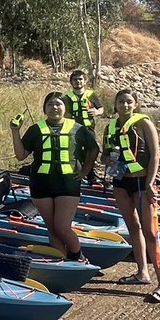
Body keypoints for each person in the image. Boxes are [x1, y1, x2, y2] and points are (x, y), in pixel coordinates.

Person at [10, 92, 99, 263]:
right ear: (44, 109)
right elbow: (21, 155)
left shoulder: (78, 128)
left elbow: (93, 149)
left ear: (65, 108)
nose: (54, 108)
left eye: (58, 104)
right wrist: (15, 131)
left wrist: (85, 171)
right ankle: (61, 262)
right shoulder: (36, 129)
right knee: (52, 228)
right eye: (50, 104)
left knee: (62, 226)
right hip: (41, 184)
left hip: (68, 184)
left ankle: (78, 256)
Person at [103, 89, 160, 303]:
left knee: (151, 232)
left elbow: (155, 154)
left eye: (129, 102)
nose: (124, 105)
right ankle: (142, 273)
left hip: (142, 183)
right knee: (133, 227)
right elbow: (105, 155)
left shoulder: (144, 124)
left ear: (135, 104)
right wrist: (108, 159)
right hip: (121, 182)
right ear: (115, 104)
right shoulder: (110, 126)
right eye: (120, 102)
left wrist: (150, 182)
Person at [64, 69, 105, 181]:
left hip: (89, 129)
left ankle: (91, 174)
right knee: (75, 151)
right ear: (71, 82)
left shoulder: (90, 95)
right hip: (73, 130)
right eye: (75, 79)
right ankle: (79, 173)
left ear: (85, 81)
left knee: (91, 150)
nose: (78, 81)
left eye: (80, 79)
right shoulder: (67, 98)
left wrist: (96, 112)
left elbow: (101, 109)